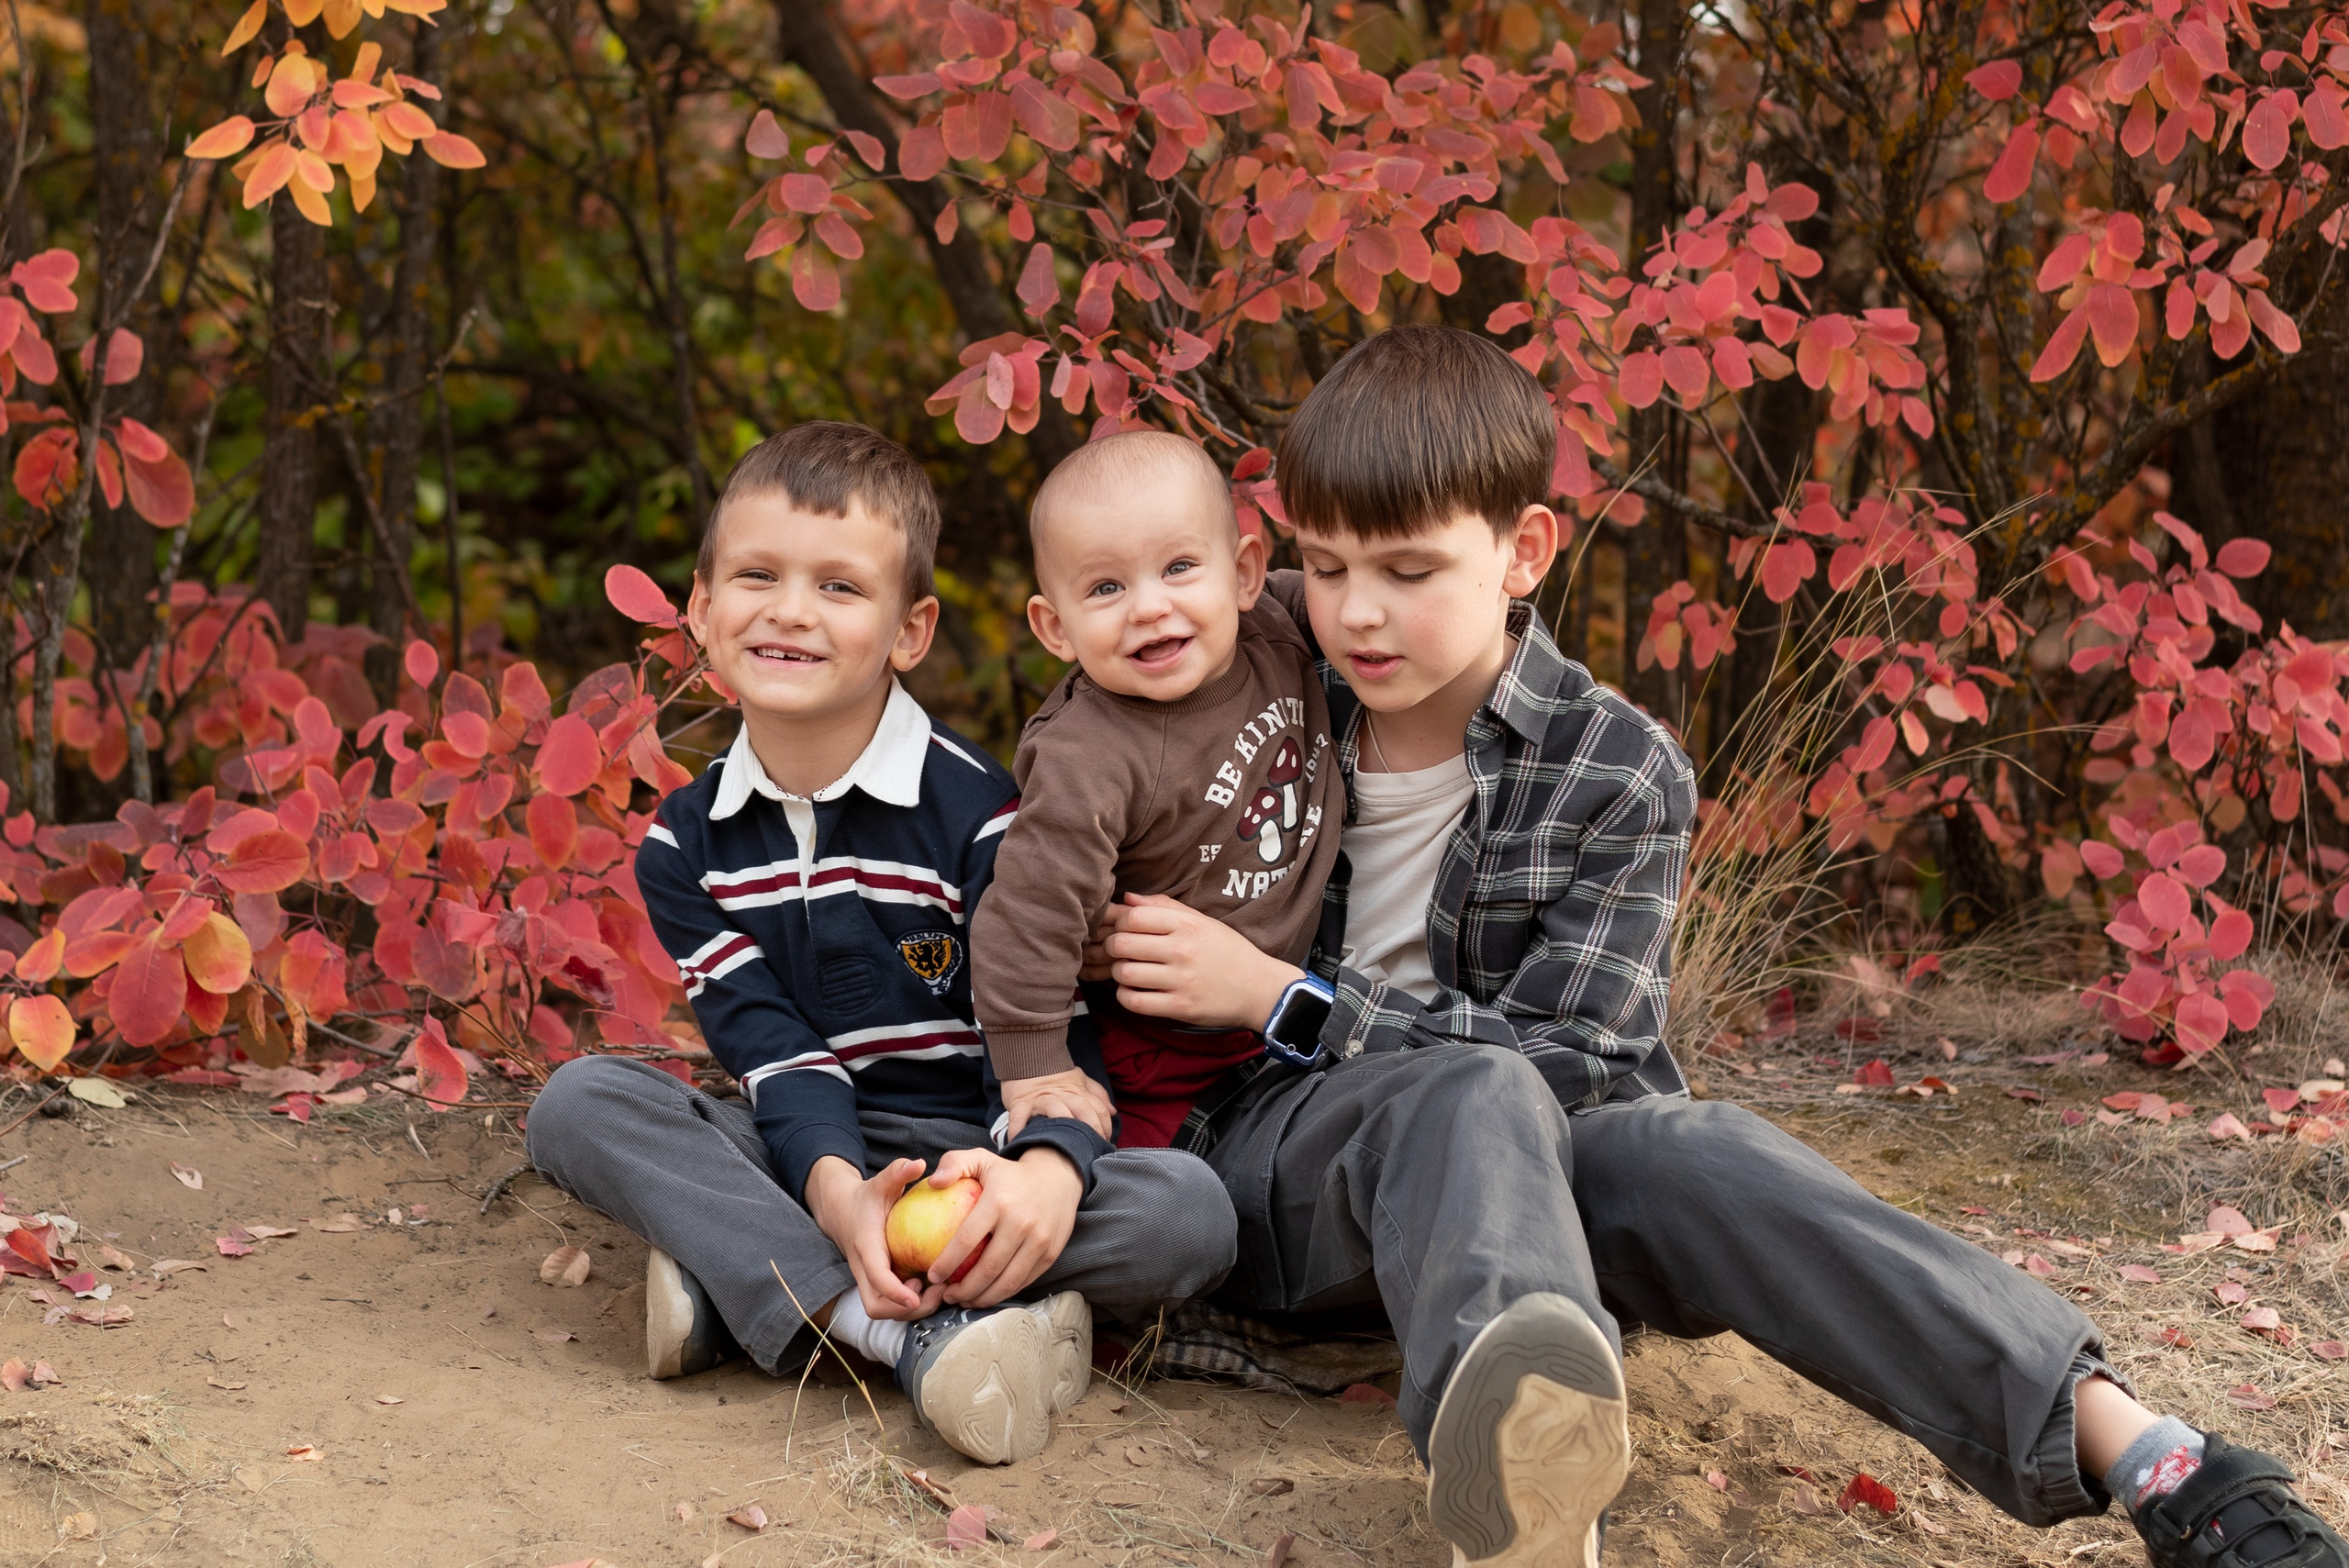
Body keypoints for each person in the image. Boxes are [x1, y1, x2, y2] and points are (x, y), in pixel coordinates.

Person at [1080, 326, 2349, 1568]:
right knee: (1465, 1089)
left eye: (1409, 572)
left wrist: (1290, 994)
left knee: (1684, 1142)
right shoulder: (1247, 656)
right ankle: (1521, 1465)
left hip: (1531, 1191)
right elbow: (1067, 777)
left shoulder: (1616, 768)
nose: (1356, 612)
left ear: (1524, 552)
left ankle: (2153, 1457)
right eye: (1328, 562)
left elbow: (1576, 1062)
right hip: (1289, 1173)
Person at [525, 422, 1236, 1466]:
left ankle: (751, 1280)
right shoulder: (686, 842)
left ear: (910, 629)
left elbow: (1048, 1041)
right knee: (577, 1104)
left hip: (977, 1148)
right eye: (757, 575)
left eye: (841, 588)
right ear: (702, 607)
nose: (790, 611)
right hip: (808, 1150)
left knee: (1189, 1211)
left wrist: (1037, 1173)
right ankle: (905, 1333)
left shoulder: (982, 815)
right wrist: (840, 1195)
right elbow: (772, 1051)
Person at [970, 431, 1342, 1150]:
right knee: (1148, 1204)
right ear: (1055, 626)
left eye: (1178, 567)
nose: (1148, 606)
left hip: (1281, 1006)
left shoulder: (1277, 622)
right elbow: (1026, 916)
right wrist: (1037, 1067)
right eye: (1106, 587)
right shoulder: (1089, 755)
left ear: (1244, 573)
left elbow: (1358, 604)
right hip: (1161, 1053)